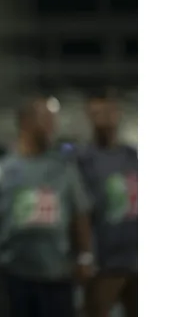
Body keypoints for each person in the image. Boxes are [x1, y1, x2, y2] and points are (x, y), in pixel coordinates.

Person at [0, 96, 94, 317]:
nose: (52, 127)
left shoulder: (64, 171)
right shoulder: (2, 171)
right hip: (13, 277)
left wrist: (84, 257)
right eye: (46, 120)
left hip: (57, 276)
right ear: (26, 122)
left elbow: (80, 215)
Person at [78, 89, 137, 317]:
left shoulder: (132, 157)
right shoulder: (84, 160)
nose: (103, 118)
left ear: (118, 113)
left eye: (108, 111)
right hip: (105, 263)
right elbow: (79, 212)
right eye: (97, 113)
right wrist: (84, 256)